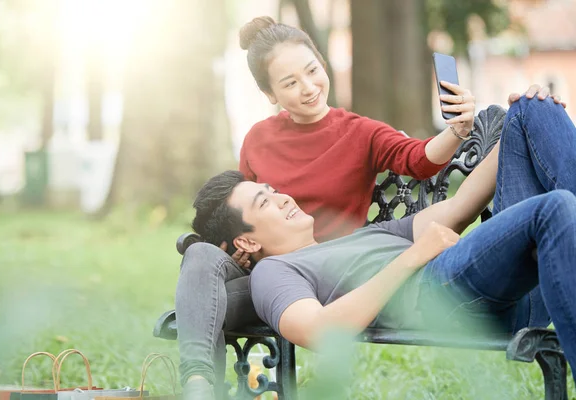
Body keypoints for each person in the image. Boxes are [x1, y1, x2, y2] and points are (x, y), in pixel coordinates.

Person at [177, 15, 489, 398]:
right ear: (271, 94)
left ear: (322, 64)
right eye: (290, 83)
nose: (308, 88)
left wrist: (458, 129)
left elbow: (420, 160)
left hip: (322, 280)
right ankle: (197, 386)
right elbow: (242, 212)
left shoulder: (360, 132)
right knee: (202, 256)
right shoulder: (258, 138)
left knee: (201, 302)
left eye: (311, 72)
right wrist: (235, 248)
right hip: (266, 276)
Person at [191, 93, 576, 383]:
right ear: (247, 243)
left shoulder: (354, 240)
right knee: (554, 207)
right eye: (265, 201)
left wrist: (514, 129)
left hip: (510, 282)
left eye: (274, 190)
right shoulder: (274, 272)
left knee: (531, 106)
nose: (283, 197)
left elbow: (459, 208)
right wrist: (410, 258)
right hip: (444, 293)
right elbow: (320, 331)